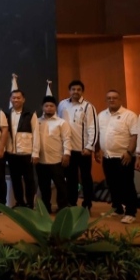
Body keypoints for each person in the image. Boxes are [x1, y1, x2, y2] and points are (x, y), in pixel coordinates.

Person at [95, 90, 138, 224]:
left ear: (120, 100)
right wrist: (97, 150)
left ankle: (131, 212)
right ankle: (117, 209)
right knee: (112, 184)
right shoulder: (101, 115)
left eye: (114, 98)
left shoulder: (129, 115)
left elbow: (134, 135)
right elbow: (98, 134)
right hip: (107, 156)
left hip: (124, 156)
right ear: (106, 100)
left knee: (127, 185)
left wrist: (129, 152)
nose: (111, 100)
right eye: (109, 98)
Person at [57, 80, 98, 211]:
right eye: (73, 89)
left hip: (83, 150)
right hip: (68, 150)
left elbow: (93, 128)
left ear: (82, 91)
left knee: (86, 178)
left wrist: (89, 147)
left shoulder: (88, 106)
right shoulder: (62, 104)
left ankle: (87, 204)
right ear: (69, 91)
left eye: (78, 89)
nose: (76, 92)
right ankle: (72, 203)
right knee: (71, 178)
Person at [5, 90, 40, 209]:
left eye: (18, 98)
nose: (16, 100)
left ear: (23, 99)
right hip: (11, 153)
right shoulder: (6, 114)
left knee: (29, 180)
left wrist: (35, 153)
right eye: (14, 98)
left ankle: (30, 203)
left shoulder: (30, 114)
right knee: (15, 180)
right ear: (10, 99)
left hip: (26, 153)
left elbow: (36, 133)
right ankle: (19, 202)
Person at [37, 96, 71, 212]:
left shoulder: (62, 122)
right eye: (46, 106)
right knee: (44, 186)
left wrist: (66, 154)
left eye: (51, 106)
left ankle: (62, 208)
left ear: (55, 107)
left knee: (60, 186)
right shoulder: (37, 121)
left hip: (57, 160)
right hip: (41, 160)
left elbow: (67, 139)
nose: (49, 108)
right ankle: (46, 208)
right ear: (42, 107)